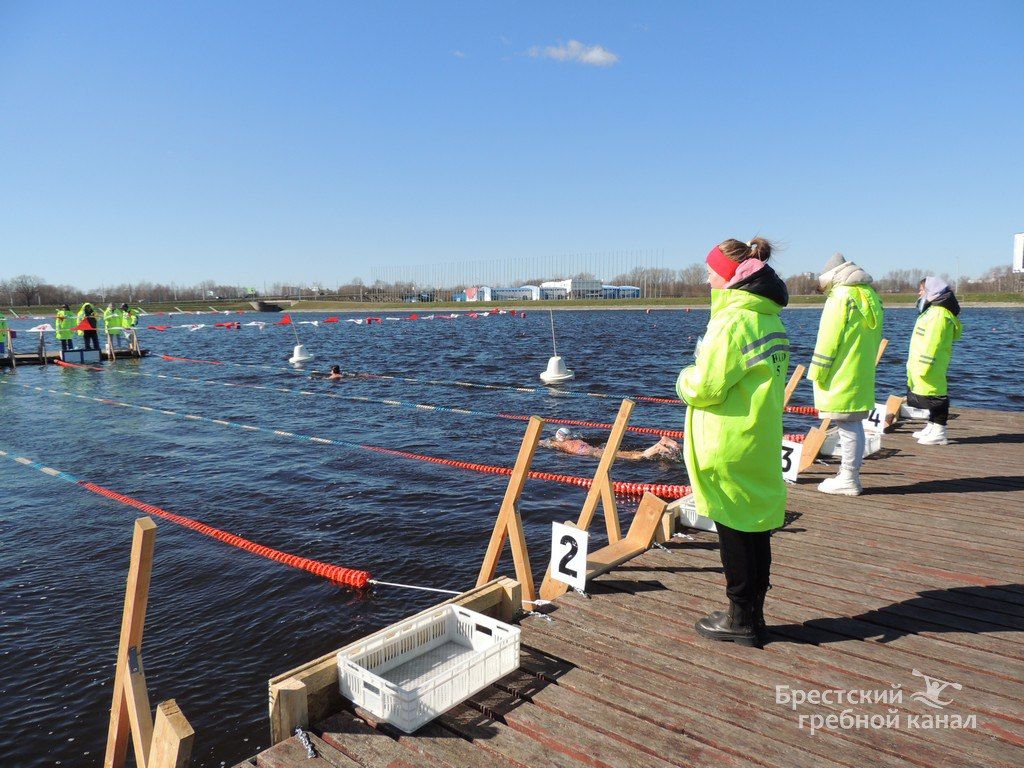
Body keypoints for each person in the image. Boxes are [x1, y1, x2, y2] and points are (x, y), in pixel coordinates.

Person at [677, 237, 789, 648]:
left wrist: (683, 379)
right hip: (757, 436)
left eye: (711, 272)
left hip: (728, 440)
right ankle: (753, 614)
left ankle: (740, 618)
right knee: (755, 526)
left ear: (728, 276)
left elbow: (705, 385)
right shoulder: (769, 318)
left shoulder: (732, 322)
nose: (706, 279)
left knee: (733, 531)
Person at [809, 253, 884, 496]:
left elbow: (828, 338)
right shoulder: (870, 295)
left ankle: (849, 477)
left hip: (841, 370)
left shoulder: (840, 296)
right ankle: (850, 474)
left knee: (846, 423)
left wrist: (817, 371)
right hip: (860, 368)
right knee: (854, 422)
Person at [907, 277, 962, 445]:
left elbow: (933, 342)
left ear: (932, 292)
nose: (919, 293)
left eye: (922, 290)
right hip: (924, 362)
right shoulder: (933, 310)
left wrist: (924, 364)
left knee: (936, 395)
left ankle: (939, 430)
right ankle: (932, 425)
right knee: (929, 394)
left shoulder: (938, 314)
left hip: (930, 363)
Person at [541, 426, 681, 461]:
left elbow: (544, 443)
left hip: (595, 452)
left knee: (634, 457)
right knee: (632, 454)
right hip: (595, 449)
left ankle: (658, 446)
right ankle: (662, 443)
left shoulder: (560, 445)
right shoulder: (575, 440)